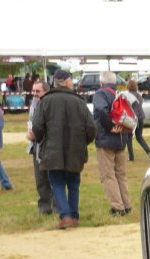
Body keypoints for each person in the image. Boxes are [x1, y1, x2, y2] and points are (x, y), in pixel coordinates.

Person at [32, 70, 96, 228]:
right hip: (75, 149)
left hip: (53, 150)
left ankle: (66, 216)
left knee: (57, 183)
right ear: (67, 82)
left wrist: (41, 140)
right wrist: (83, 142)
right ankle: (73, 216)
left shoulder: (45, 101)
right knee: (73, 183)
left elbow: (37, 127)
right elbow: (91, 128)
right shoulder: (79, 102)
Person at [93, 71, 132, 216]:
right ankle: (127, 204)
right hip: (121, 139)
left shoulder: (100, 94)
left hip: (106, 139)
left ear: (101, 82)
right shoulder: (120, 94)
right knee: (121, 174)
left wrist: (110, 126)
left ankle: (117, 207)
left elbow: (101, 110)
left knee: (108, 175)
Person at [27, 80, 54, 214]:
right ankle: (44, 208)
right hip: (36, 146)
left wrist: (36, 134)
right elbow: (31, 122)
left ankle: (57, 207)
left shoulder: (51, 104)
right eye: (33, 91)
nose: (34, 94)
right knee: (40, 179)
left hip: (48, 147)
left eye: (37, 91)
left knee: (53, 179)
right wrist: (30, 133)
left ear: (46, 91)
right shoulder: (34, 104)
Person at [125, 79, 150, 162]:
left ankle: (131, 157)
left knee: (128, 137)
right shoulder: (139, 95)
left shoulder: (127, 96)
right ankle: (149, 151)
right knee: (139, 137)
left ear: (128, 86)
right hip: (141, 118)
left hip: (132, 118)